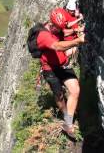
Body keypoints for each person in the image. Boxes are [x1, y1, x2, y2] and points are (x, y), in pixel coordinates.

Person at [36, 7, 85, 138]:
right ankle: (65, 114)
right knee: (59, 96)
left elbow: (66, 29)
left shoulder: (58, 26)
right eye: (57, 28)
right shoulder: (43, 35)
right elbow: (57, 46)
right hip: (49, 68)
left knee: (75, 90)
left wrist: (76, 30)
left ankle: (68, 123)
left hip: (62, 65)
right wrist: (77, 41)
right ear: (51, 24)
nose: (60, 30)